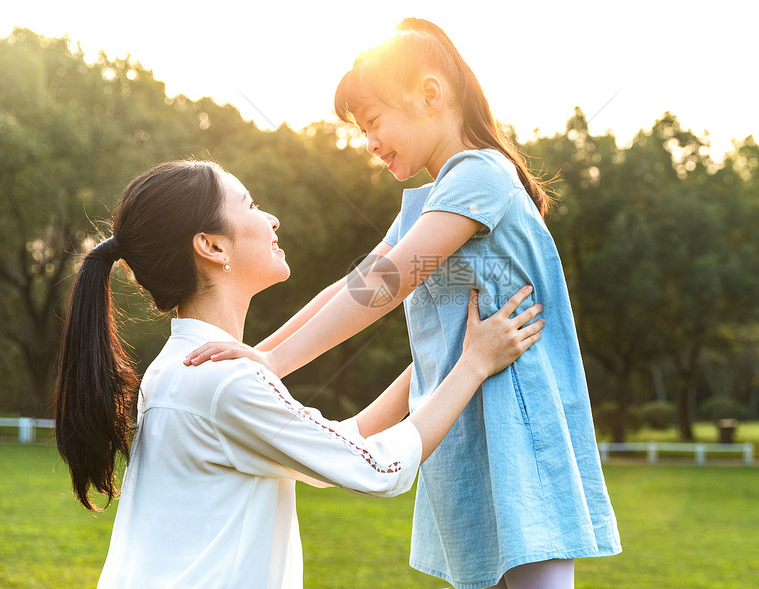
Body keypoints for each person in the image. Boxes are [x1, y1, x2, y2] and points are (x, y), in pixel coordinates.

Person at [185, 18, 621, 589]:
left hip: (517, 426)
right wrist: (254, 352)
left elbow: (389, 283)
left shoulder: (482, 175)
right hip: (463, 424)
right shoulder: (426, 201)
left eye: (372, 121)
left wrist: (275, 365)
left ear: (430, 95)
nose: (367, 142)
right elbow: (351, 285)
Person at [54, 160, 543, 589]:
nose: (271, 219)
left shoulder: (184, 369)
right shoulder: (221, 382)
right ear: (211, 246)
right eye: (251, 206)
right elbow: (376, 469)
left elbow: (335, 442)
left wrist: (440, 359)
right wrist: (473, 365)